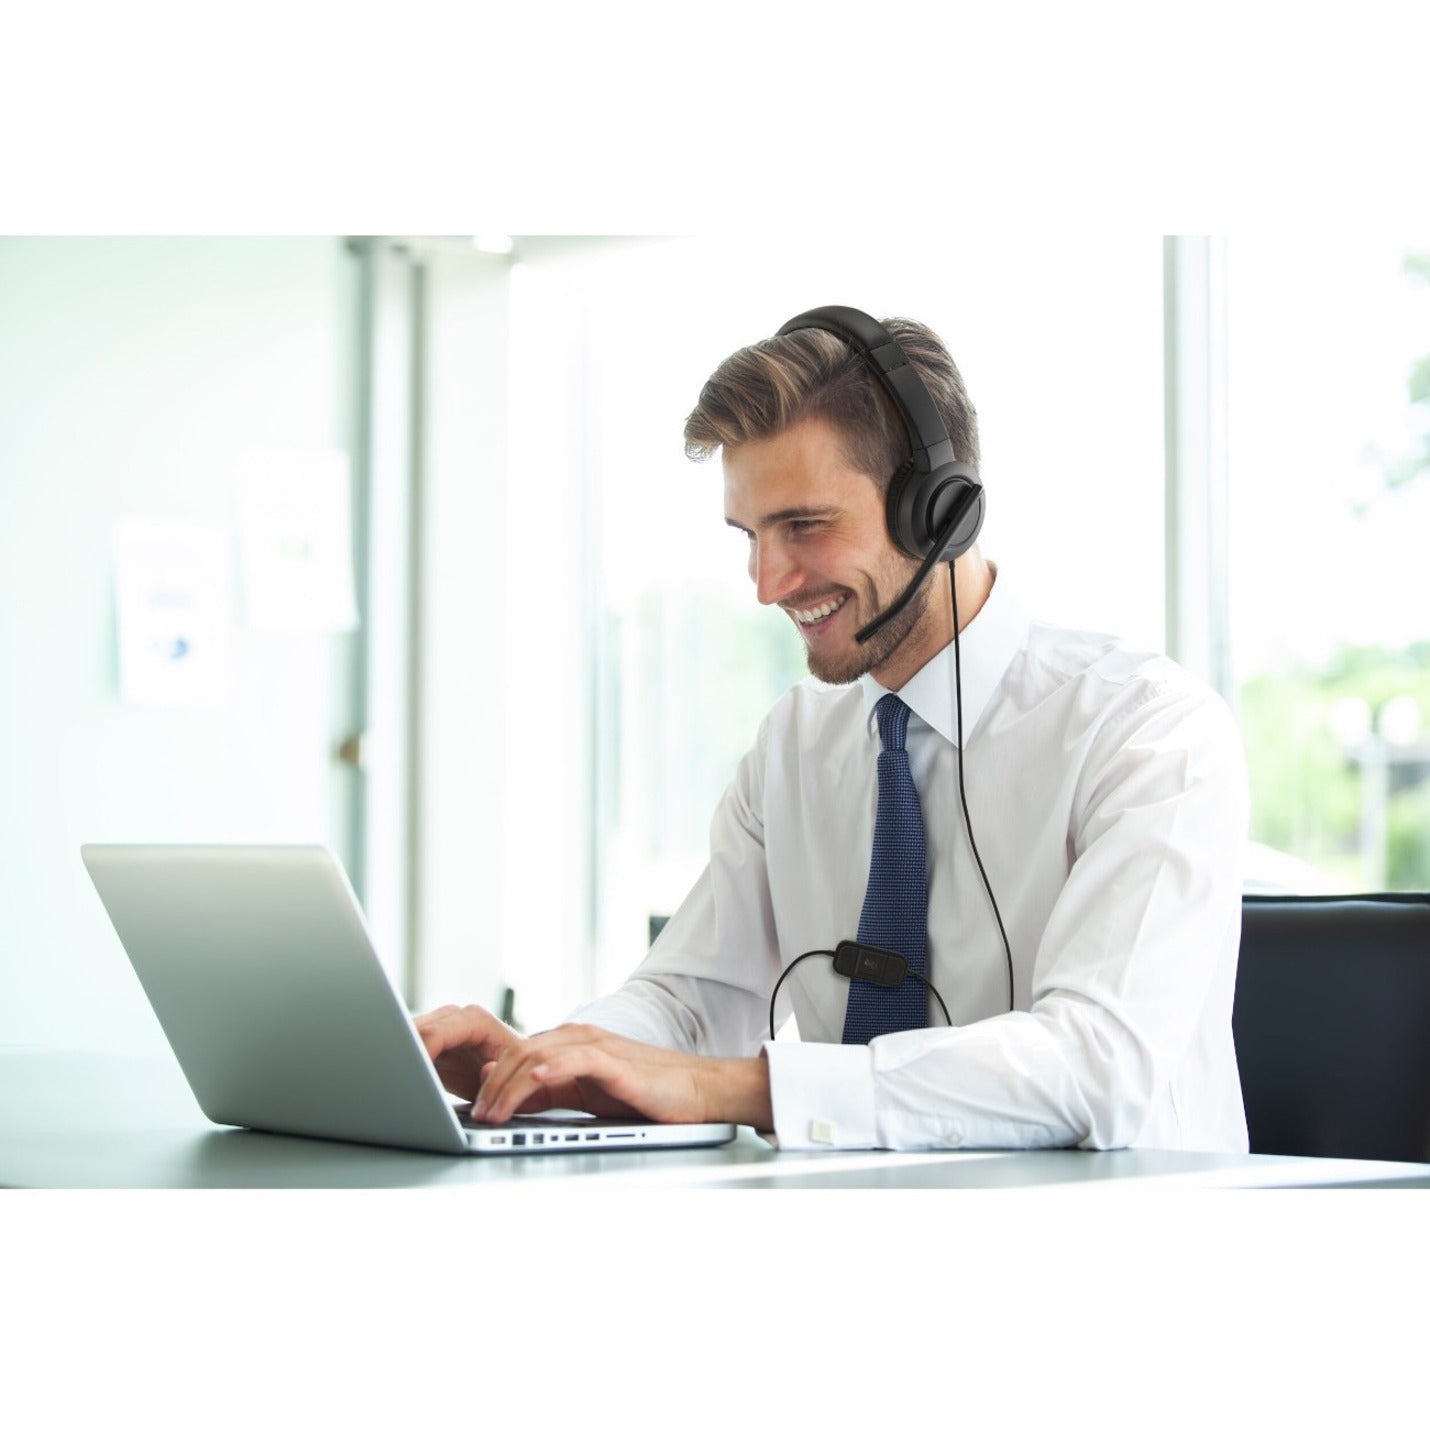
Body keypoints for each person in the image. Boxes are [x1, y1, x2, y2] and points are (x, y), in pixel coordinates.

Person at [415, 308, 1250, 1153]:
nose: (768, 583)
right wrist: (550, 1065)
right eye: (750, 536)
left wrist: (736, 1087)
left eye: (804, 526)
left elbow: (1095, 1065)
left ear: (939, 511)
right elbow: (688, 1001)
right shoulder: (796, 746)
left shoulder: (1147, 733)